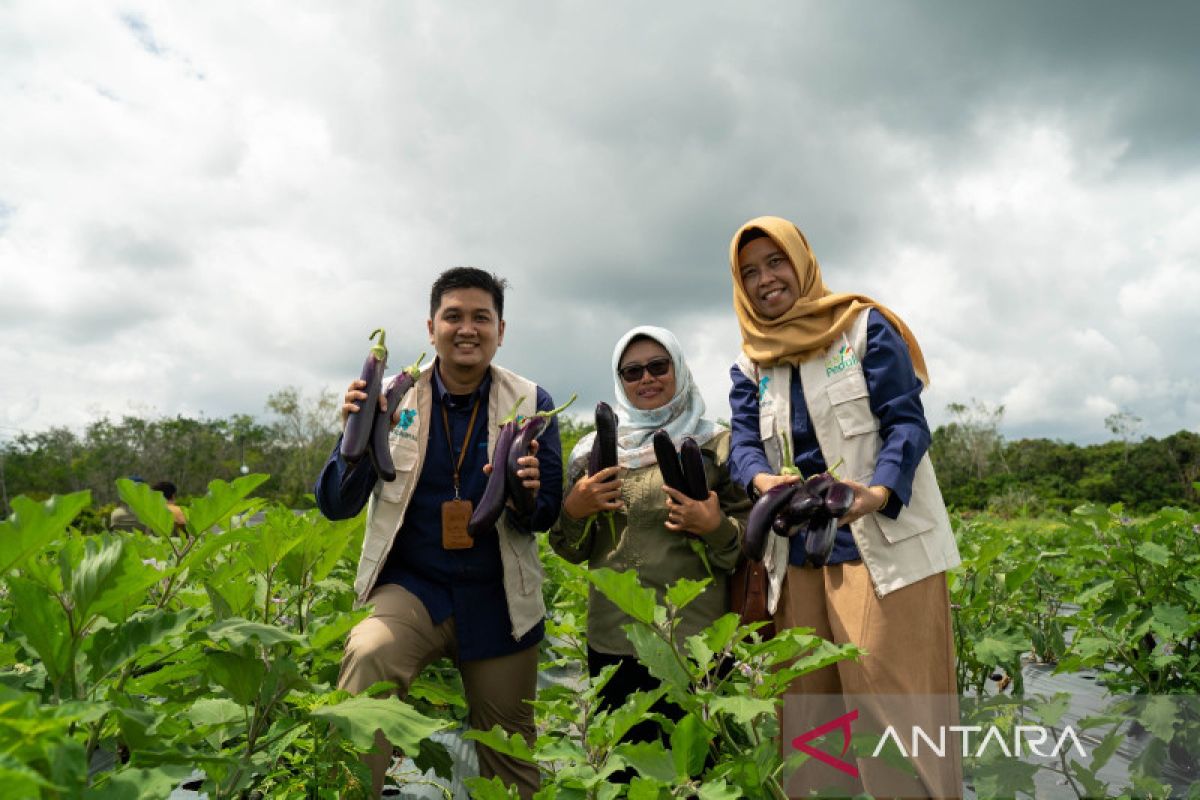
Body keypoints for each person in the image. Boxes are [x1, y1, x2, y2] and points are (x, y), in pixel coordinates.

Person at [726, 216, 962, 798]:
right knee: (810, 714)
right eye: (749, 271)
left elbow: (905, 422)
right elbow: (744, 445)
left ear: (802, 261)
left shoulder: (861, 329)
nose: (765, 280)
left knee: (894, 705)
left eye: (775, 262)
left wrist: (877, 491)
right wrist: (759, 479)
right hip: (800, 553)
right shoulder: (751, 363)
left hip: (881, 544)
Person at [315, 267, 562, 799]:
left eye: (481, 317)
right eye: (454, 316)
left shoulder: (532, 402)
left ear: (501, 329)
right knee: (370, 653)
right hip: (413, 588)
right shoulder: (392, 397)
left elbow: (543, 514)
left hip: (499, 600)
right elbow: (337, 504)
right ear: (432, 329)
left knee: (511, 754)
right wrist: (353, 435)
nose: (467, 328)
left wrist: (526, 491)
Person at [549, 326, 748, 747]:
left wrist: (713, 526)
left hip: (697, 645)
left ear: (679, 369)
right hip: (614, 642)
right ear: (620, 382)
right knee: (625, 773)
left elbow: (750, 548)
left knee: (702, 772)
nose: (646, 379)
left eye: (659, 366)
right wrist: (574, 508)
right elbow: (569, 548)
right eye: (632, 372)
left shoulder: (716, 445)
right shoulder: (592, 453)